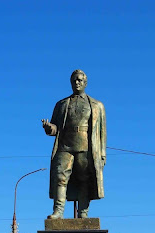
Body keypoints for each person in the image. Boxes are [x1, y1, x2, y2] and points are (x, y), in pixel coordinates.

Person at [41, 69, 106, 219]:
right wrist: (49, 128)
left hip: (87, 147)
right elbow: (55, 127)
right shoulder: (62, 104)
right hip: (65, 145)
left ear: (85, 83)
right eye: (74, 80)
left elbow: (102, 133)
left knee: (85, 178)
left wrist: (102, 155)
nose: (77, 83)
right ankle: (58, 212)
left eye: (79, 80)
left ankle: (83, 213)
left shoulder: (97, 105)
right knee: (60, 176)